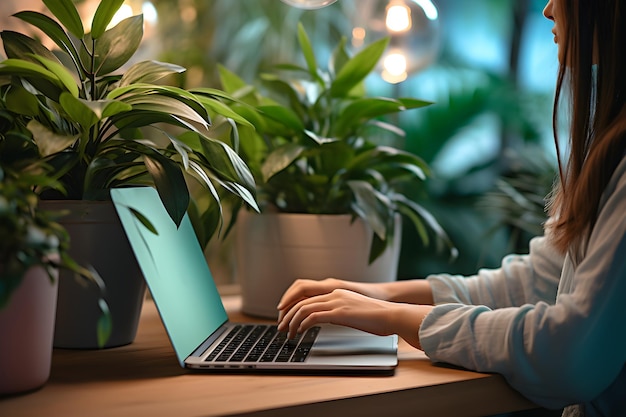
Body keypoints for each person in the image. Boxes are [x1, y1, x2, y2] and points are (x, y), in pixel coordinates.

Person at [276, 0, 626, 415]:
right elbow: (537, 281)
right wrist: (376, 295)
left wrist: (396, 318)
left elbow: (569, 356)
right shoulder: (608, 148)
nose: (549, 10)